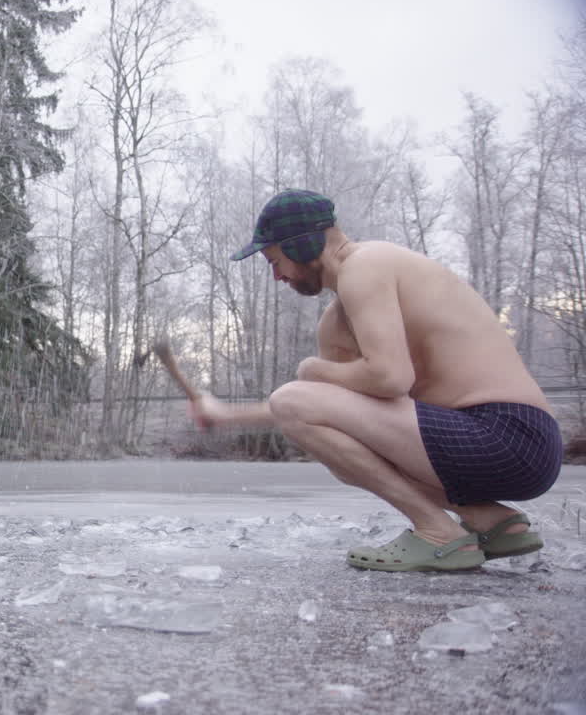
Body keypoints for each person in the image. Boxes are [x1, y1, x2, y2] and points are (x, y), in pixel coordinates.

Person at [191, 188, 563, 572]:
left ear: (300, 244)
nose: (276, 276)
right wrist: (227, 415)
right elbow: (318, 411)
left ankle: (437, 532)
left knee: (299, 402)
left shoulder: (364, 265)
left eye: (275, 260)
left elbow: (389, 377)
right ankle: (492, 521)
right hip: (500, 443)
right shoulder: (341, 314)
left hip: (507, 436)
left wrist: (312, 371)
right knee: (343, 454)